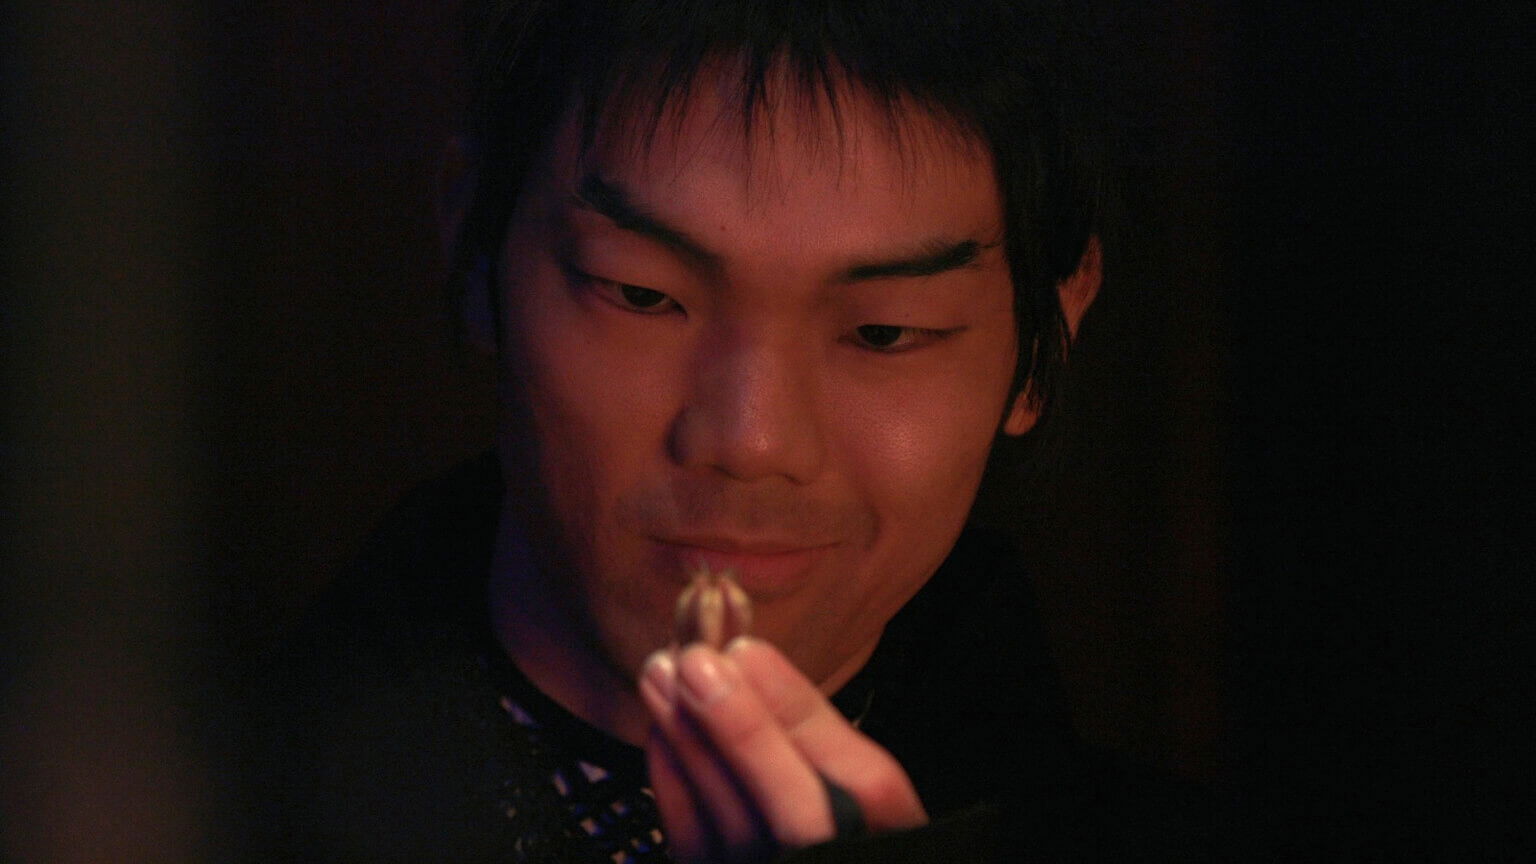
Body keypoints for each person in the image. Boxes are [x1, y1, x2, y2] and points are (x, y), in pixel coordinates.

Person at [238, 1, 1224, 861]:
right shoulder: (193, 806)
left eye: (885, 332)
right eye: (640, 294)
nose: (751, 440)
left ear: (1054, 327)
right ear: (474, 243)